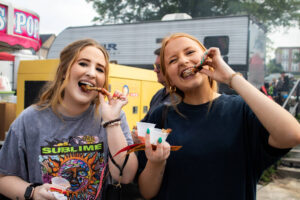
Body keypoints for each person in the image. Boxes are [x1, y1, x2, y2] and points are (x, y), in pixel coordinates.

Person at [137, 33, 300, 200]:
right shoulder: (160, 116)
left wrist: (231, 77)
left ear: (208, 58)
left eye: (190, 52)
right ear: (168, 77)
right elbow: (147, 192)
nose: (183, 61)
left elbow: (292, 135)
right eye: (172, 60)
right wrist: (156, 162)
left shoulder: (241, 110)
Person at [0, 39, 138, 200]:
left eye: (100, 69)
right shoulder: (29, 119)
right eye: (83, 64)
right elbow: (3, 177)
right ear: (64, 70)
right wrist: (33, 192)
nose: (92, 73)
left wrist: (112, 122)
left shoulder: (114, 117)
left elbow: (126, 176)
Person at [140, 48, 170, 122]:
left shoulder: (184, 98)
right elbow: (146, 121)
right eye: (155, 66)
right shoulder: (158, 94)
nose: (155, 70)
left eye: (159, 67)